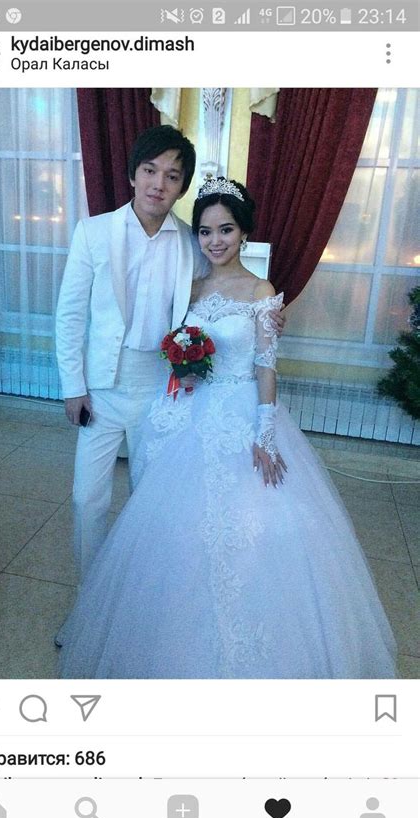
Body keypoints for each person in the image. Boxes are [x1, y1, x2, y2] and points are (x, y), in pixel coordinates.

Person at [59, 177, 397, 679]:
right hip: (189, 411)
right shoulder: (190, 285)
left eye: (226, 230)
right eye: (205, 231)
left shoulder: (262, 291)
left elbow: (265, 364)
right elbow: (168, 332)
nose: (215, 241)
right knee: (165, 519)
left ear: (243, 233)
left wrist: (263, 434)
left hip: (242, 414)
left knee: (257, 524)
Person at [56, 126, 284, 578]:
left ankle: (139, 596)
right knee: (87, 498)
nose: (159, 183)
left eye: (173, 176)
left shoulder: (192, 241)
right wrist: (72, 387)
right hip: (102, 386)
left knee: (151, 499)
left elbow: (226, 295)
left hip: (166, 389)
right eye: (150, 170)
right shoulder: (93, 233)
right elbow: (68, 316)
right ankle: (90, 598)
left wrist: (272, 315)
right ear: (133, 175)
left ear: (182, 186)